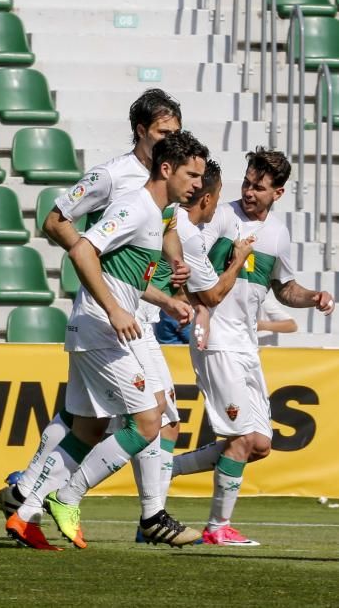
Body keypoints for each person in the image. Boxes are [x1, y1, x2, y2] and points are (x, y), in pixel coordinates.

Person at [0, 89, 192, 528]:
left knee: (93, 420)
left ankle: (26, 493)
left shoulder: (167, 179)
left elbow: (166, 229)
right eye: (163, 133)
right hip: (110, 308)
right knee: (145, 415)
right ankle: (148, 516)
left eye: (175, 133)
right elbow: (54, 220)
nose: (169, 141)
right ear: (141, 131)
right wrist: (96, 262)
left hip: (140, 308)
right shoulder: (112, 176)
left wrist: (173, 264)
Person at [168, 148, 334, 546]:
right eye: (246, 182)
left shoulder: (278, 234)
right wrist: (196, 307)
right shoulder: (220, 216)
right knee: (242, 439)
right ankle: (216, 528)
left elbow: (284, 288)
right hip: (217, 340)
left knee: (259, 444)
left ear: (278, 192)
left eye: (259, 187)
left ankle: (159, 471)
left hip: (245, 344)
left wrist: (313, 297)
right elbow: (185, 264)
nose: (249, 192)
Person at [129, 158, 256, 544]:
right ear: (209, 198)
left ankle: (150, 519)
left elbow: (187, 286)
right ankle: (43, 491)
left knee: (155, 423)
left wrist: (183, 300)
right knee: (136, 425)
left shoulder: (171, 220)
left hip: (138, 321)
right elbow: (214, 293)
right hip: (130, 323)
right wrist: (236, 260)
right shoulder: (186, 229)